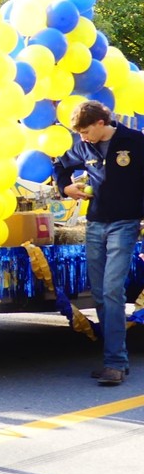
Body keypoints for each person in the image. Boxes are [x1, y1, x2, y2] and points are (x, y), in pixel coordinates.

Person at [55, 100, 144, 386]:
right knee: (100, 293)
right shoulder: (83, 146)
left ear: (101, 124)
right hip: (95, 224)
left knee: (112, 289)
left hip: (126, 223)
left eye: (85, 131)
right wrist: (65, 187)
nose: (82, 137)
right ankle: (115, 356)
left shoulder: (134, 141)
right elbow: (61, 166)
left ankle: (115, 363)